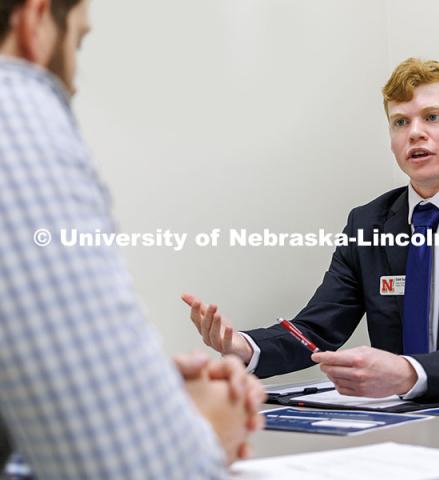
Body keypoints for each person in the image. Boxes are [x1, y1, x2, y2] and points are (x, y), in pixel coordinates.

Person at [0, 0, 265, 478]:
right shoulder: (15, 108)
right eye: (77, 42)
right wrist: (205, 426)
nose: (73, 82)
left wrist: (148, 398)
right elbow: (133, 469)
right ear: (34, 21)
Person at [184, 57, 439, 402]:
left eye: (432, 117)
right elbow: (317, 328)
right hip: (401, 419)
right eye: (400, 122)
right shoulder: (368, 222)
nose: (414, 132)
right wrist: (243, 347)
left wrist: (412, 373)